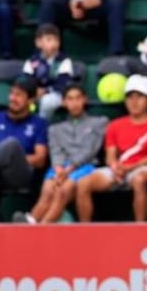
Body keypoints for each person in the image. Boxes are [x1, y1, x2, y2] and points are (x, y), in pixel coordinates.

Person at [75, 74, 147, 223]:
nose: (134, 102)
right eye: (130, 97)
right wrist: (115, 167)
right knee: (83, 183)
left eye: (139, 97)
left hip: (142, 168)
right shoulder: (115, 125)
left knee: (139, 180)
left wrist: (128, 168)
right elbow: (111, 154)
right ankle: (85, 230)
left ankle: (140, 228)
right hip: (118, 168)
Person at [16, 83, 106, 224]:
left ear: (85, 100)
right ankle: (31, 220)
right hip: (60, 168)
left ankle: (39, 228)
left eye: (78, 98)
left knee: (63, 191)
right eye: (70, 99)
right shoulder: (55, 129)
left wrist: (68, 170)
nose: (74, 103)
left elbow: (89, 151)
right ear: (64, 102)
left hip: (85, 167)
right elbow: (56, 151)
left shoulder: (99, 123)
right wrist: (59, 169)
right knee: (48, 190)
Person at [0, 77, 48, 198]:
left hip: (19, 175)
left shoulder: (39, 123)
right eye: (11, 93)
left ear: (31, 100)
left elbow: (40, 160)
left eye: (19, 95)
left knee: (12, 145)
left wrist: (12, 158)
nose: (13, 98)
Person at [21, 23, 74, 119]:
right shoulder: (31, 61)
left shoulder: (64, 61)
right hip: (35, 94)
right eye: (49, 40)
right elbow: (27, 81)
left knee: (47, 101)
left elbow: (63, 83)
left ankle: (41, 125)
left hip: (57, 94)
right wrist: (34, 92)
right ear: (38, 43)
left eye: (56, 40)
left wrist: (45, 91)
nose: (54, 44)